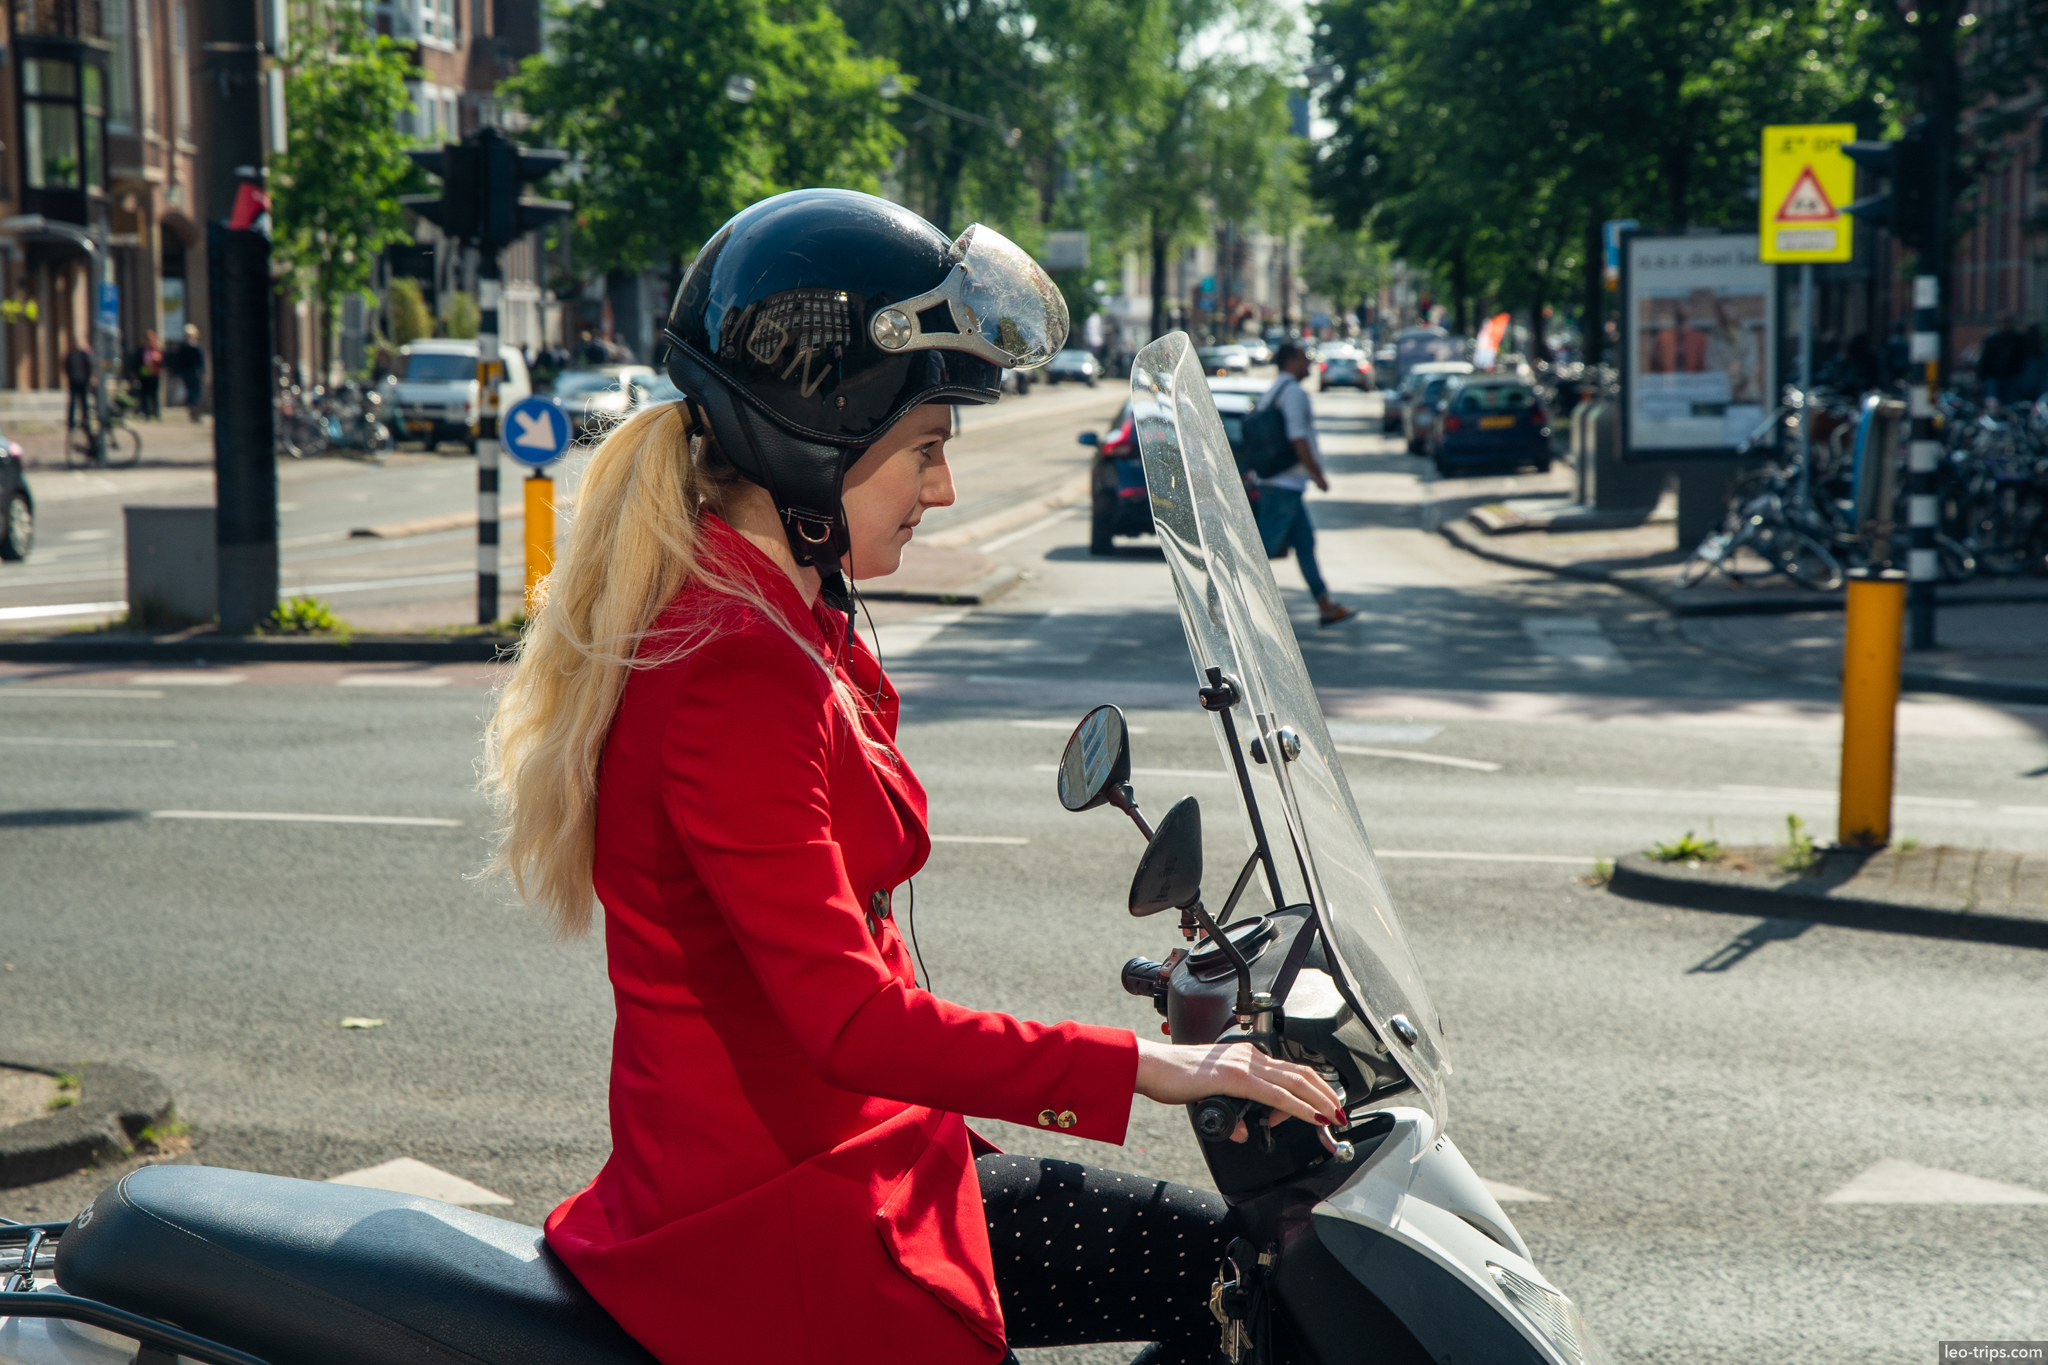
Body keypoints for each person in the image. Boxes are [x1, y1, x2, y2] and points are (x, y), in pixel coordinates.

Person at [481, 189, 1342, 1365]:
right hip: (772, 1226)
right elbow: (847, 1018)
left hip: (871, 1161)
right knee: (1238, 1287)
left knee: (1244, 1278)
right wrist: (1151, 1067)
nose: (940, 491)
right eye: (925, 450)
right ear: (815, 443)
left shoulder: (783, 629)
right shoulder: (730, 673)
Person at [1254, 343, 1354, 627]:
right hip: (1283, 485)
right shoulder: (1294, 394)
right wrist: (1317, 474)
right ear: (1292, 360)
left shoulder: (1273, 392)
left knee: (1305, 543)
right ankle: (1226, 605)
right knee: (1260, 552)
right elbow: (1298, 437)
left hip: (1283, 483)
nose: (1308, 363)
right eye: (1304, 358)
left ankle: (1325, 606)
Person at [1979, 313, 2025, 405]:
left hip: (2012, 377)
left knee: (2010, 404)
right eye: (2002, 322)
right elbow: (1985, 359)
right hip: (1994, 377)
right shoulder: (1992, 339)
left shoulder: (2017, 339)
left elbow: (2022, 357)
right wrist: (1981, 378)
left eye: (2006, 322)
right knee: (1994, 403)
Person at [172, 324, 205, 421]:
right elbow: (179, 362)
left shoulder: (197, 348)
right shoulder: (183, 349)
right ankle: (193, 412)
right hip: (187, 374)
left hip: (196, 373)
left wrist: (203, 373)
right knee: (191, 393)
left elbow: (201, 362)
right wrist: (179, 375)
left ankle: (196, 412)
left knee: (197, 393)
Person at [134, 330, 164, 420]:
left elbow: (162, 362)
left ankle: (156, 412)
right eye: (147, 339)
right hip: (144, 374)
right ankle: (146, 413)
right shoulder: (142, 350)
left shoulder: (157, 349)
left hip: (154, 374)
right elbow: (137, 362)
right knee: (145, 394)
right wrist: (135, 373)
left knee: (154, 394)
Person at [64, 341, 93, 432]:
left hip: (80, 381)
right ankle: (74, 421)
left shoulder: (80, 355)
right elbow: (66, 367)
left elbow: (88, 366)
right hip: (76, 381)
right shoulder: (72, 355)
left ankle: (84, 420)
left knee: (82, 402)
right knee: (76, 402)